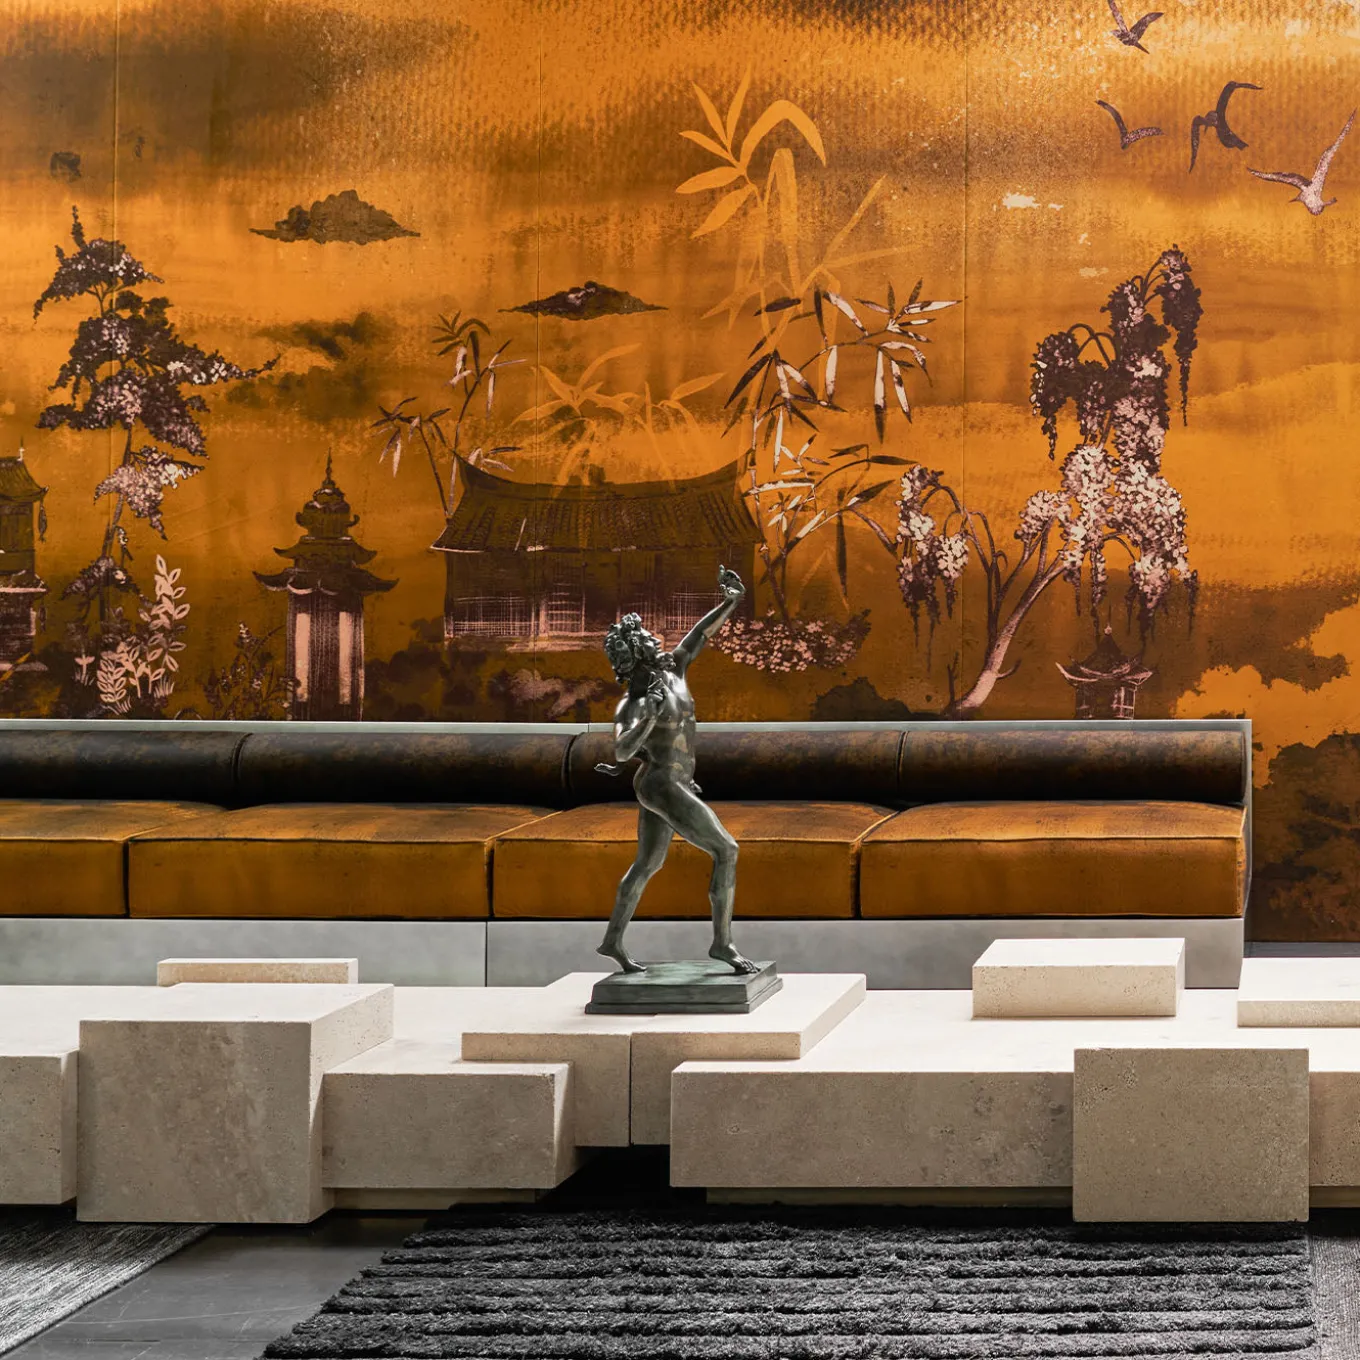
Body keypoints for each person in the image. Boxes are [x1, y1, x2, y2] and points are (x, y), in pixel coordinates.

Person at [596, 564, 756, 976]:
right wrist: (650, 716)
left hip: (671, 782)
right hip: (662, 785)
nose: (657, 638)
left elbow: (700, 635)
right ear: (636, 653)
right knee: (727, 850)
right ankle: (722, 943)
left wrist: (730, 601)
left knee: (647, 865)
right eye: (647, 638)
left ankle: (612, 940)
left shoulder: (673, 670)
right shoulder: (634, 702)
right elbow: (621, 750)